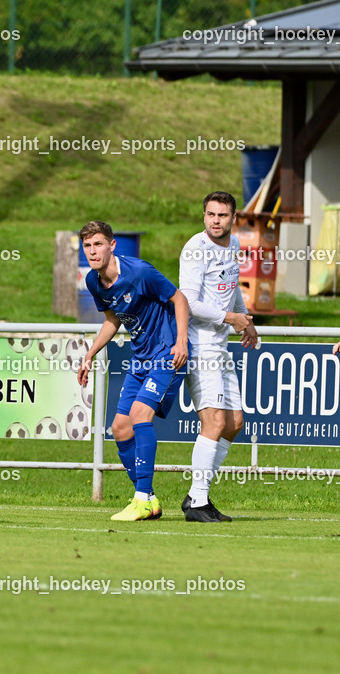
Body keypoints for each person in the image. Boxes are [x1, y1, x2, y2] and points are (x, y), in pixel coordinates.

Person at [76, 220, 190, 521]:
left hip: (167, 354)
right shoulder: (93, 281)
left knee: (139, 415)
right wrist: (90, 353)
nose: (92, 251)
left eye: (98, 244)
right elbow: (113, 320)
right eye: (87, 246)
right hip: (140, 360)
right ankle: (149, 499)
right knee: (120, 428)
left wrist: (181, 342)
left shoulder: (139, 272)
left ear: (112, 245)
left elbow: (179, 298)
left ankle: (140, 498)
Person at [178, 191, 258, 522]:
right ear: (204, 215)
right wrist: (232, 319)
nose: (215, 221)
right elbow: (188, 302)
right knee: (214, 421)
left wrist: (246, 320)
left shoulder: (234, 246)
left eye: (222, 215)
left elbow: (232, 287)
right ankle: (197, 502)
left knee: (235, 423)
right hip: (200, 344)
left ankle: (198, 497)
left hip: (222, 344)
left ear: (233, 219)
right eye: (210, 214)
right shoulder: (196, 248)